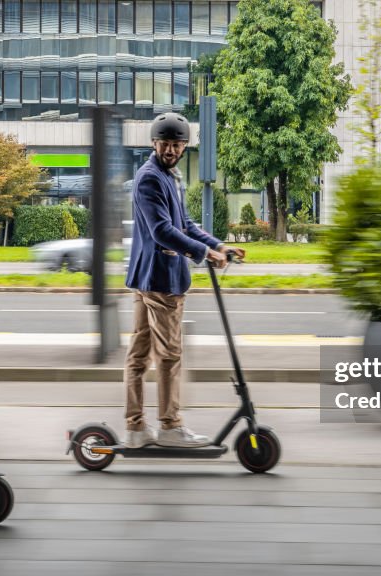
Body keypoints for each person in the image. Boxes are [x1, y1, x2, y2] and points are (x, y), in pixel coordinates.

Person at [123, 112, 245, 449]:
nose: (171, 149)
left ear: (184, 146)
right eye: (166, 143)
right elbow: (162, 231)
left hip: (149, 277)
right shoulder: (150, 178)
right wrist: (204, 255)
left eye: (177, 144)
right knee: (170, 355)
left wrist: (219, 245)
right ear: (154, 143)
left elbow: (185, 224)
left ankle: (135, 429)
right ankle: (170, 426)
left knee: (139, 354)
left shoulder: (169, 176)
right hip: (161, 281)